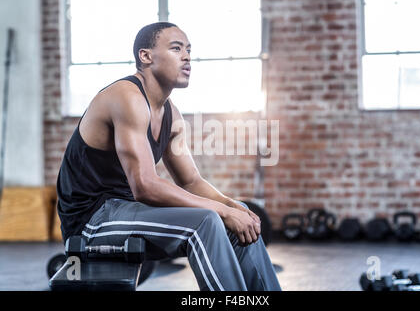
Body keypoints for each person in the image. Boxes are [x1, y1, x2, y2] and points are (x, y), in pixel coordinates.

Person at [56, 22, 281, 291]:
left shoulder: (171, 115)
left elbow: (191, 181)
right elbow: (145, 186)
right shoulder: (126, 97)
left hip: (129, 213)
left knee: (237, 214)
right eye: (176, 49)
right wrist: (219, 210)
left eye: (188, 50)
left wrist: (231, 206)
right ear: (146, 56)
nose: (187, 57)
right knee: (205, 221)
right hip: (91, 221)